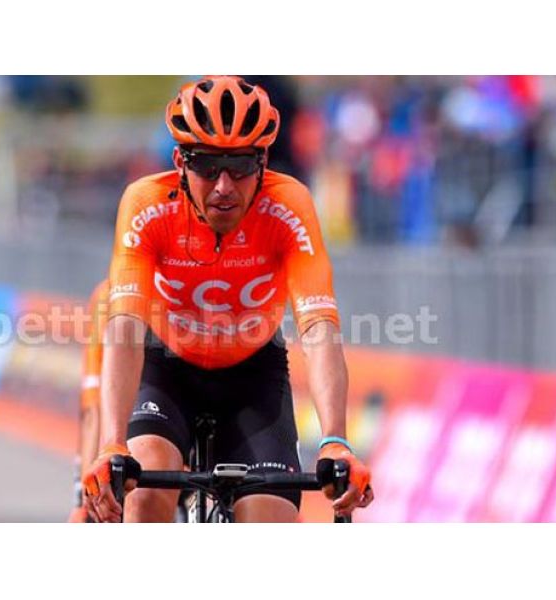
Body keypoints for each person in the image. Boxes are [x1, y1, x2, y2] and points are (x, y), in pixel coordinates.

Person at [83, 76, 374, 522]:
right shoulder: (146, 204)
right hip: (166, 368)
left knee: (270, 520)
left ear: (263, 163)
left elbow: (319, 328)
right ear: (180, 162)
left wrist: (335, 439)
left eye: (239, 166)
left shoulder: (288, 204)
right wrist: (112, 443)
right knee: (144, 496)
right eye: (206, 165)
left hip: (253, 375)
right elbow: (124, 327)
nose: (223, 185)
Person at [67, 278, 109, 523]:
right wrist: (83, 495)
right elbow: (93, 408)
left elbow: (92, 410)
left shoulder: (106, 294)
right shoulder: (106, 296)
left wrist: (81, 501)